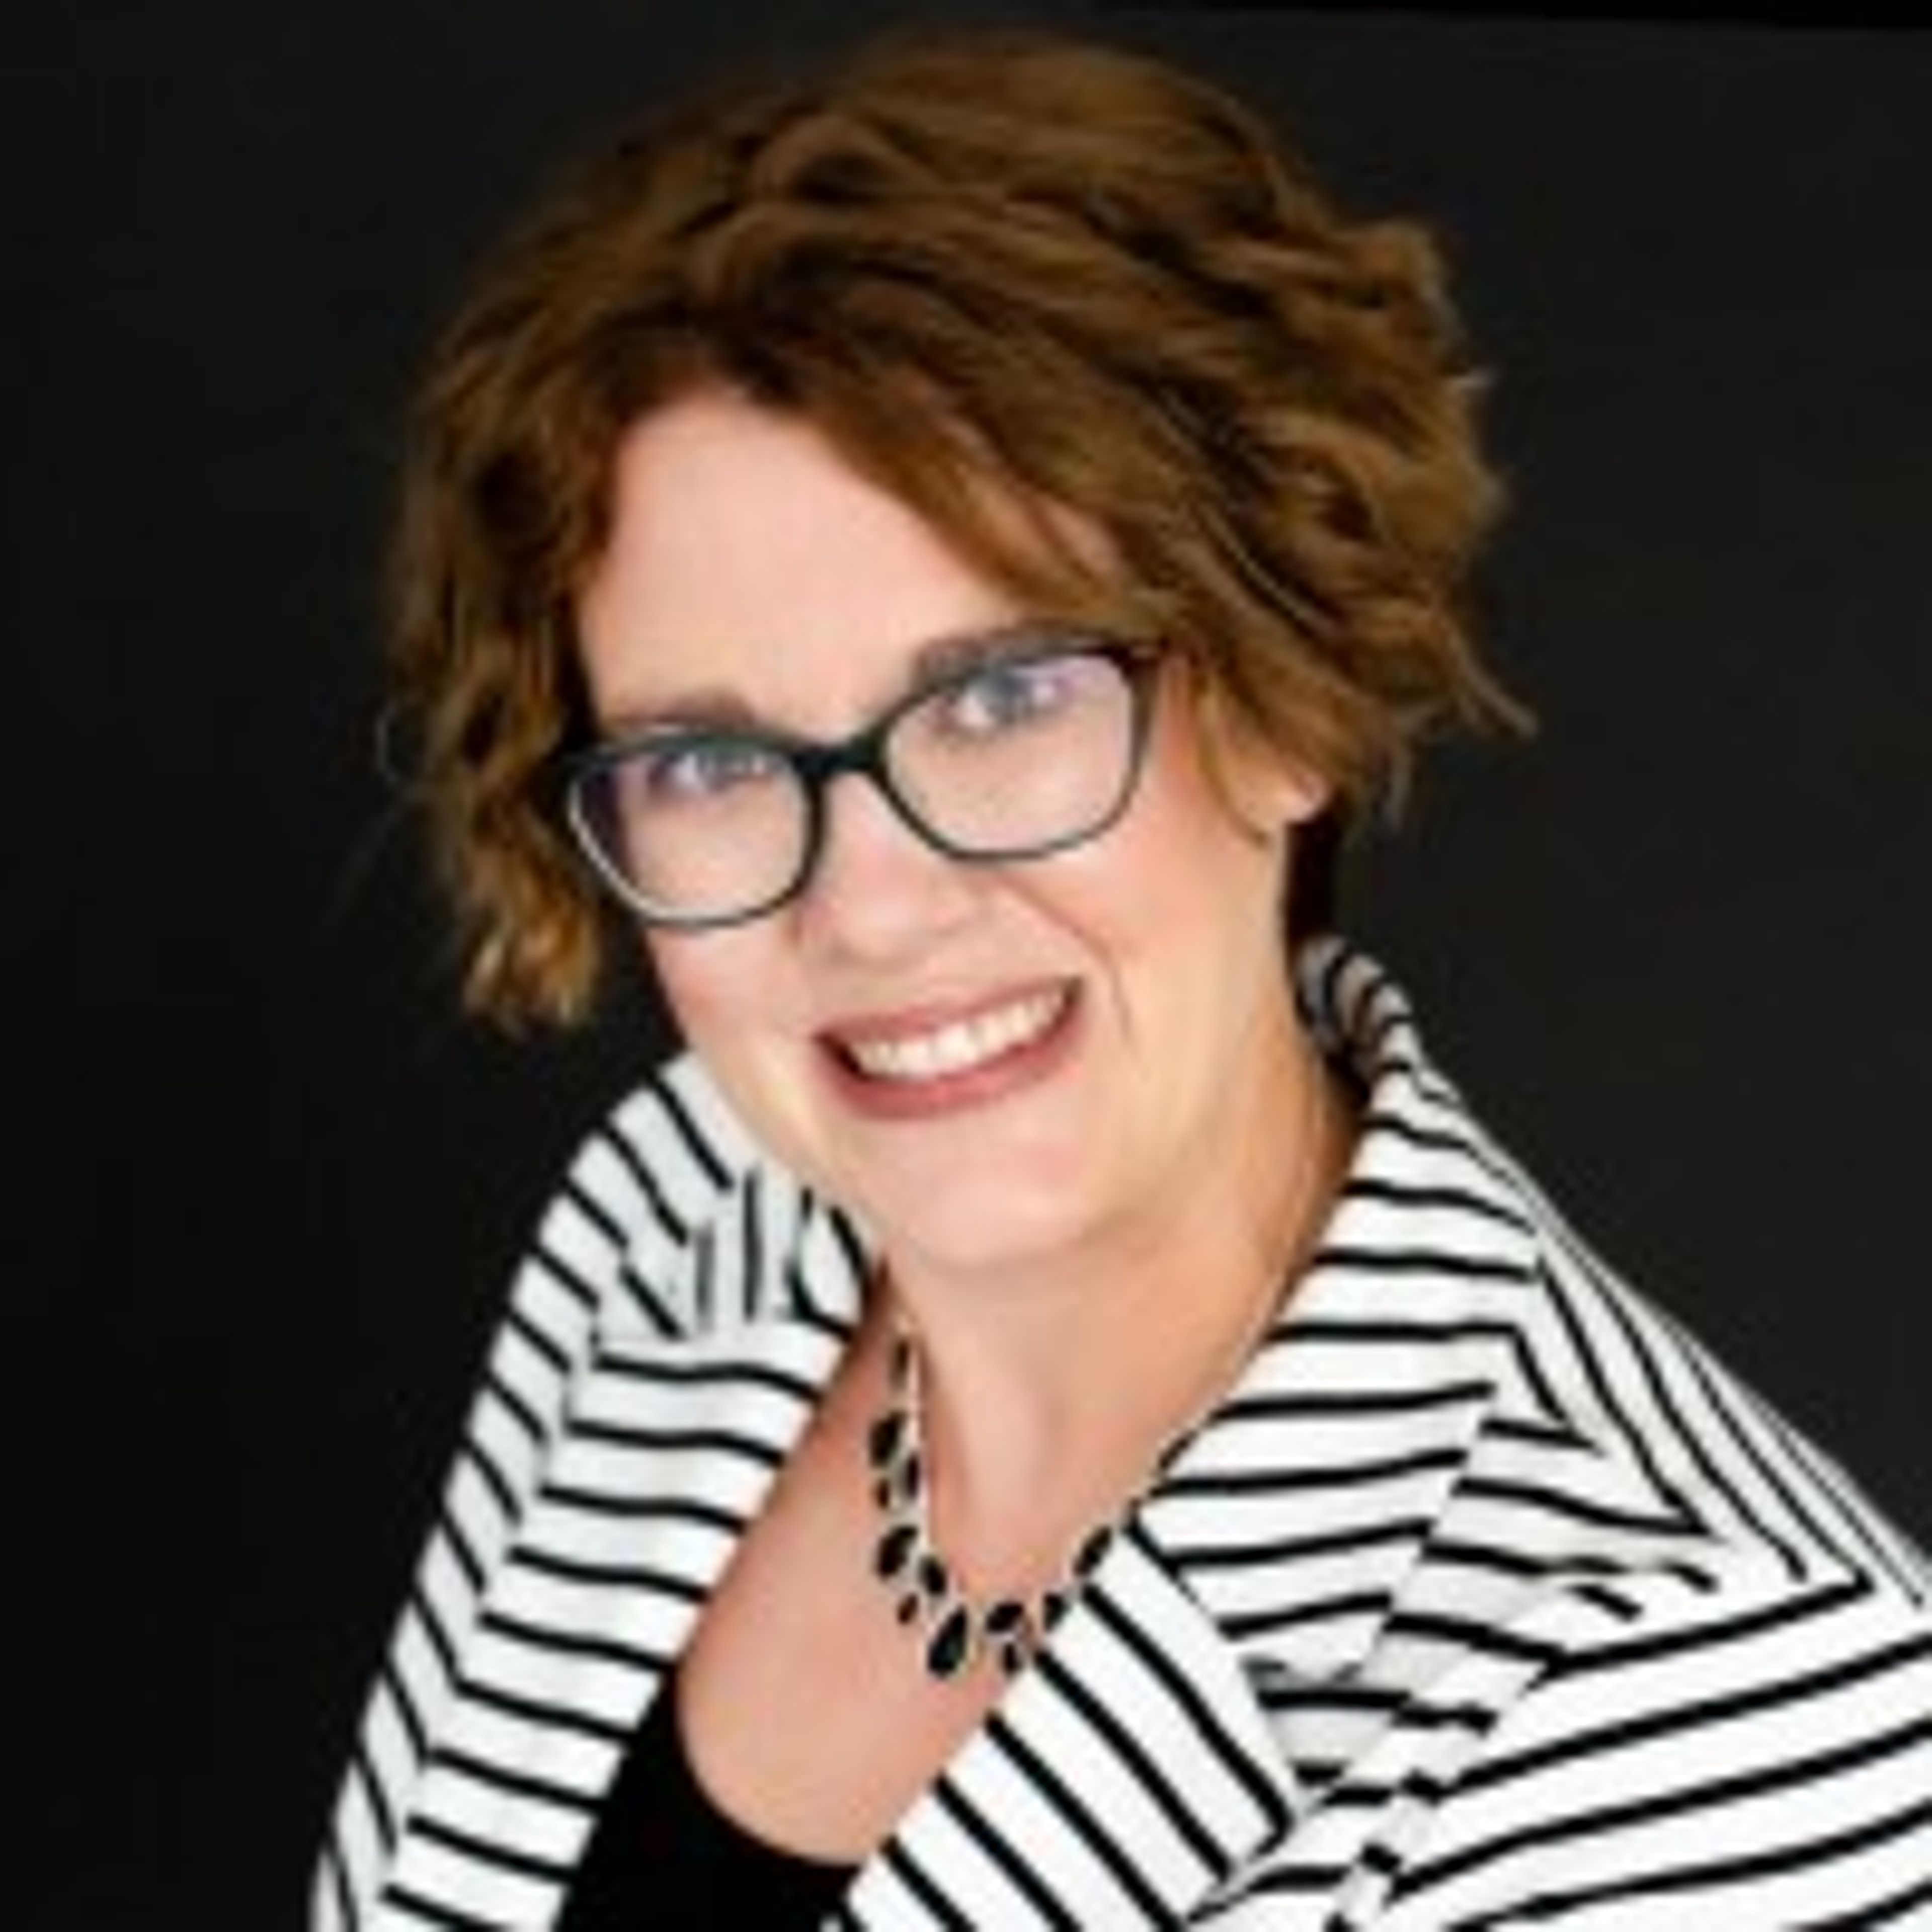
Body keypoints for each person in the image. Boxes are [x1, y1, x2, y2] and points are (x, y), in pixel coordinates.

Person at [313, 22, 1932, 1928]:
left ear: (1289, 698)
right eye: (706, 763)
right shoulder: (678, 1232)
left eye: (1000, 700)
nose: (875, 908)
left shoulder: (1730, 1718)